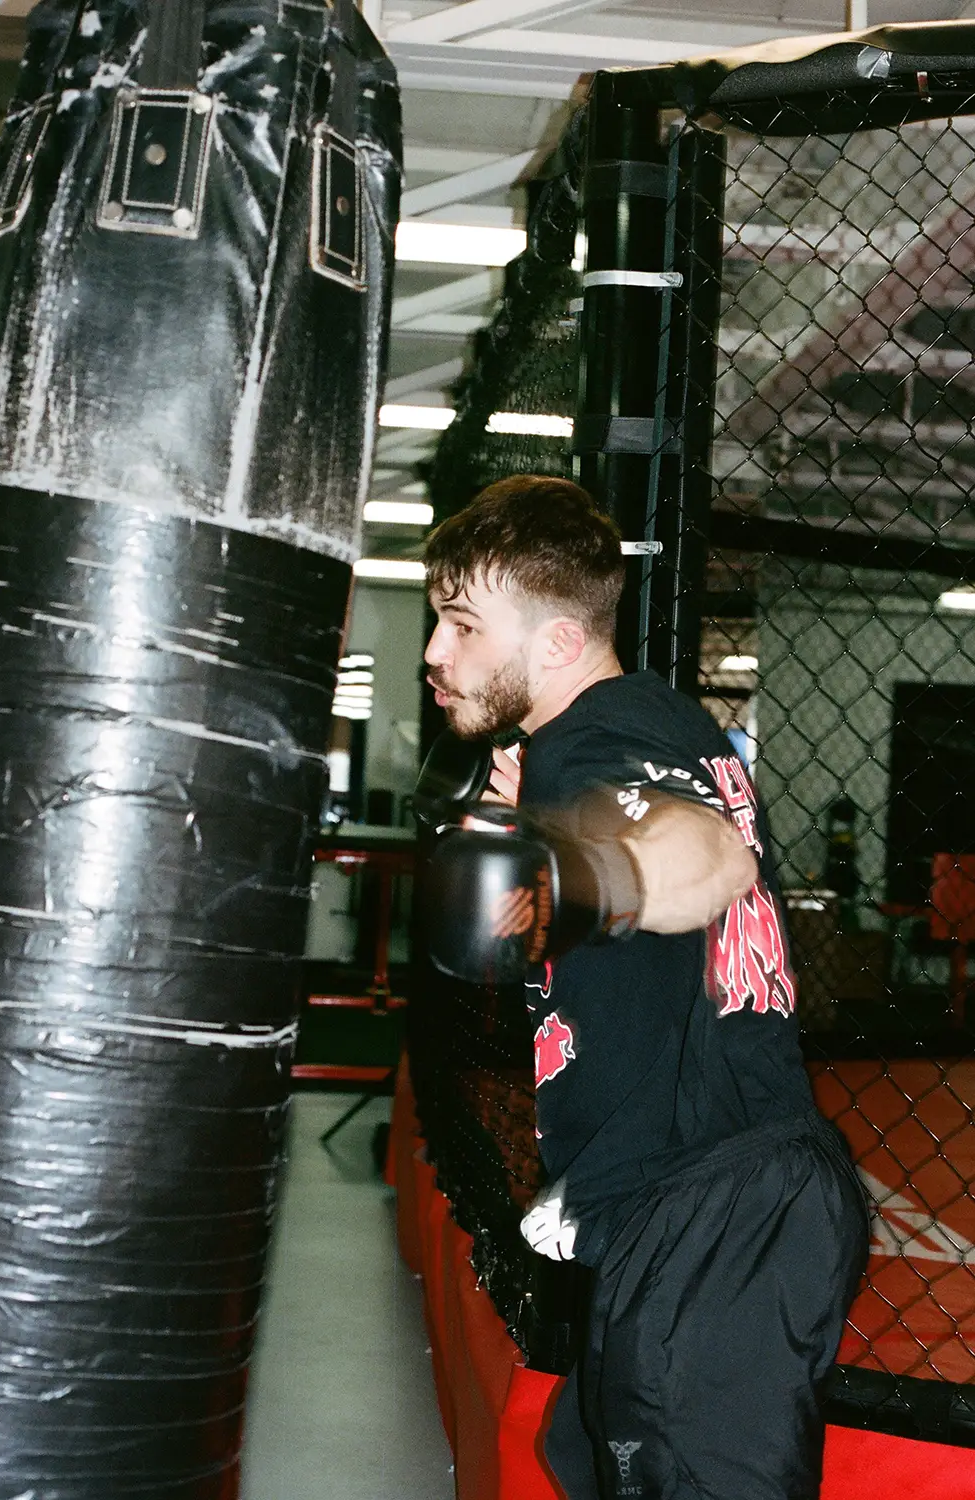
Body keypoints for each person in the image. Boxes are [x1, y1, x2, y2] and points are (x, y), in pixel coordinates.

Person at [419, 474, 869, 1500]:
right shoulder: (646, 728)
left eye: (462, 624)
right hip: (712, 1198)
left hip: (709, 1211)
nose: (435, 652)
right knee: (586, 1457)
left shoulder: (594, 736)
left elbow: (708, 858)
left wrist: (560, 879)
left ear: (558, 643)